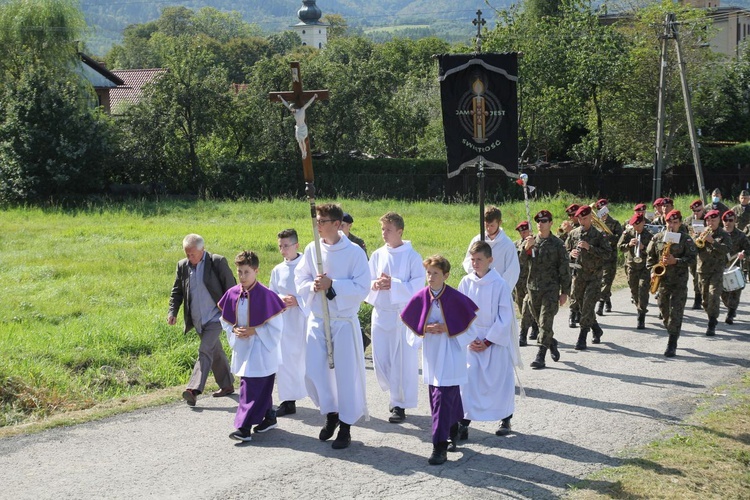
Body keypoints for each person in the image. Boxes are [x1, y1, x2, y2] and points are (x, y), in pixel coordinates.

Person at [294, 203, 370, 450]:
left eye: (323, 221)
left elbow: (362, 287)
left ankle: (346, 427)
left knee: (346, 375)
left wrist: (333, 284)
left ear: (337, 224)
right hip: (318, 320)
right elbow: (300, 278)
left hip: (343, 322)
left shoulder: (355, 252)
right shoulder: (311, 249)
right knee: (315, 370)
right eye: (317, 220)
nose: (318, 225)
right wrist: (312, 286)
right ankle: (331, 413)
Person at [401, 255, 477, 465]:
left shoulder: (456, 298)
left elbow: (472, 331)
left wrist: (448, 328)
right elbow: (410, 332)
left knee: (442, 400)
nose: (431, 277)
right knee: (440, 398)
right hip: (432, 357)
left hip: (451, 355)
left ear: (446, 275)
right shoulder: (420, 298)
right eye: (428, 273)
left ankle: (439, 447)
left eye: (435, 273)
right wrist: (424, 329)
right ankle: (454, 427)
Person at [457, 241, 522, 440]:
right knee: (469, 380)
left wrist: (488, 341)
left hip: (494, 340)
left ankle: (505, 417)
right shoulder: (466, 283)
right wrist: (469, 338)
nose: (475, 263)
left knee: (499, 380)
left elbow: (505, 316)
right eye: (472, 259)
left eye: (479, 260)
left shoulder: (499, 284)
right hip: (472, 339)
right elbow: (460, 313)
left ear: (490, 260)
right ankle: (464, 421)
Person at [218, 251, 285, 442]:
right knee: (260, 387)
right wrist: (234, 329)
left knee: (251, 388)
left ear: (256, 271)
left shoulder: (266, 295)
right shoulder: (232, 294)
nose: (242, 276)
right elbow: (224, 320)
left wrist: (255, 331)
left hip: (262, 349)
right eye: (239, 272)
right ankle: (269, 417)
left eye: (246, 272)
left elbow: (277, 326)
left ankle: (243, 428)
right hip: (243, 347)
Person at [365, 212, 425, 424]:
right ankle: (393, 394)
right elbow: (366, 281)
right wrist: (375, 285)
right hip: (381, 313)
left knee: (401, 361)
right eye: (382, 229)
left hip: (402, 316)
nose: (384, 233)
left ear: (399, 231)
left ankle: (398, 404)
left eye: (388, 230)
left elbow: (419, 287)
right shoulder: (377, 254)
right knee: (382, 360)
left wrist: (395, 284)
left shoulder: (412, 256)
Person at [168, 234, 236, 407]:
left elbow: (231, 289)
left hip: (216, 318)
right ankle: (227, 385)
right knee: (215, 352)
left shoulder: (217, 262)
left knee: (205, 350)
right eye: (186, 254)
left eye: (192, 254)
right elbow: (177, 291)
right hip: (197, 320)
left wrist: (235, 314)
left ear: (202, 250)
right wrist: (172, 311)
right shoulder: (183, 266)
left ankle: (193, 389)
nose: (189, 258)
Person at [520, 210, 571, 368]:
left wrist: (565, 292)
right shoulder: (531, 242)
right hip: (533, 290)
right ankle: (551, 342)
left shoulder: (558, 245)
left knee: (545, 322)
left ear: (550, 223)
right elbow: (520, 264)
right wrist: (525, 249)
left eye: (544, 221)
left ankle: (540, 356)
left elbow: (564, 270)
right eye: (539, 222)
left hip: (550, 290)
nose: (541, 224)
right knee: (541, 324)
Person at [646, 210, 697, 357]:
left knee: (676, 312)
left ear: (680, 223)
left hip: (679, 282)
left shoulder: (686, 240)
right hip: (663, 282)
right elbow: (650, 259)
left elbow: (693, 259)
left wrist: (676, 261)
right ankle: (672, 330)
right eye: (669, 222)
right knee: (664, 310)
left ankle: (672, 342)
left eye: (675, 223)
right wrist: (652, 272)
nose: (672, 225)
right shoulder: (657, 238)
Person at [269, 229, 308, 417]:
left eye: (286, 246)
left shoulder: (307, 265)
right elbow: (271, 293)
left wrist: (299, 300)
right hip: (285, 321)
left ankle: (329, 401)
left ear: (296, 245)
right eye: (280, 246)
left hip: (305, 319)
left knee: (310, 360)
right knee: (285, 361)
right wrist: (281, 299)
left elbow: (315, 291)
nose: (283, 250)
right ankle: (288, 400)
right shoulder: (277, 270)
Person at [565, 205, 610, 350]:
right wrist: (570, 254)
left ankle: (582, 336)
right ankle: (596, 329)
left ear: (591, 217)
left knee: (588, 305)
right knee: (579, 305)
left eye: (584, 218)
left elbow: (607, 254)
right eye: (579, 218)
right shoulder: (573, 234)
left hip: (594, 276)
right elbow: (565, 251)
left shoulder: (598, 235)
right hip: (578, 276)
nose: (582, 221)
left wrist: (589, 248)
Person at [461, 205, 520, 289]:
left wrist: (501, 288)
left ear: (499, 223)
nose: (488, 228)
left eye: (492, 225)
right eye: (486, 225)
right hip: (478, 286)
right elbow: (468, 261)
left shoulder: (507, 244)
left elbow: (512, 271)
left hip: (498, 288)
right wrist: (478, 279)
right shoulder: (477, 240)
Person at [696, 209, 733, 336]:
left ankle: (712, 323)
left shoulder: (724, 234)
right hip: (703, 270)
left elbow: (727, 249)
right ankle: (711, 315)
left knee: (713, 295)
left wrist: (712, 241)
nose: (710, 223)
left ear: (718, 220)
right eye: (708, 220)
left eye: (713, 220)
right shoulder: (701, 232)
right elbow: (693, 249)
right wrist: (698, 239)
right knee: (705, 300)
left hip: (717, 270)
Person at [618, 213, 653, 329]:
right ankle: (639, 306)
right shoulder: (628, 233)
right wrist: (628, 244)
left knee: (643, 289)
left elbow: (654, 252)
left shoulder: (650, 235)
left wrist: (644, 248)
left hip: (644, 267)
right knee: (634, 290)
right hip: (631, 266)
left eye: (638, 224)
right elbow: (620, 247)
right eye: (634, 225)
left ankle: (641, 315)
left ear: (643, 222)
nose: (636, 227)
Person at [719, 211, 750, 324]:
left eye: (730, 220)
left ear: (735, 220)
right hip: (720, 267)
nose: (728, 223)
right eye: (725, 220)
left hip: (735, 266)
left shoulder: (741, 235)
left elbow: (748, 249)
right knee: (723, 292)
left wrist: (744, 254)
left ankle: (731, 313)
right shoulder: (718, 233)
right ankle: (730, 306)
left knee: (735, 291)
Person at [594, 199, 623, 316]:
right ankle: (607, 299)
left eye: (604, 208)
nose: (603, 211)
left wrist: (608, 235)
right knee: (601, 281)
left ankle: (601, 303)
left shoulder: (615, 223)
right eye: (600, 209)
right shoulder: (595, 224)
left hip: (610, 256)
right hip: (599, 256)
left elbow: (619, 239)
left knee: (606, 280)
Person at [514, 221, 538, 346]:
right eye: (521, 232)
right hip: (519, 281)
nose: (523, 234)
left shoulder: (536, 242)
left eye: (525, 231)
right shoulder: (516, 244)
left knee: (528, 306)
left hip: (531, 279)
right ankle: (534, 325)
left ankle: (523, 334)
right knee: (520, 304)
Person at [278, 93, 318, 159]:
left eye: (291, 109)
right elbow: (286, 104)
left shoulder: (302, 110)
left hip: (303, 127)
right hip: (298, 128)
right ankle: (303, 152)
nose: (291, 111)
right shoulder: (294, 112)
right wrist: (281, 98)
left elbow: (308, 103)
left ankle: (305, 151)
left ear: (294, 108)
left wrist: (314, 97)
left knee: (302, 141)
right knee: (299, 141)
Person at [684, 199, 707, 310]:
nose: (696, 213)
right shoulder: (688, 220)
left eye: (698, 210)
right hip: (692, 252)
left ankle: (705, 297)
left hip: (706, 253)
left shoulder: (709, 219)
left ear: (702, 209)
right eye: (694, 211)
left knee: (704, 277)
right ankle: (698, 297)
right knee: (695, 276)